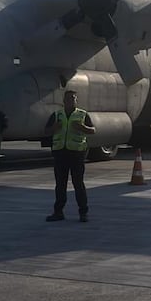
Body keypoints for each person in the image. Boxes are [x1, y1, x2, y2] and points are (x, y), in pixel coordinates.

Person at [45, 90, 96, 222]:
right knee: (60, 184)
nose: (71, 100)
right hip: (60, 153)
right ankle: (58, 212)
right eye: (68, 98)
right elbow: (46, 131)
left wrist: (82, 127)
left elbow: (93, 130)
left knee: (78, 183)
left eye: (73, 98)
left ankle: (83, 212)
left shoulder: (82, 114)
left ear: (76, 100)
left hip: (76, 153)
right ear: (64, 100)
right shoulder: (57, 115)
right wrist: (54, 127)